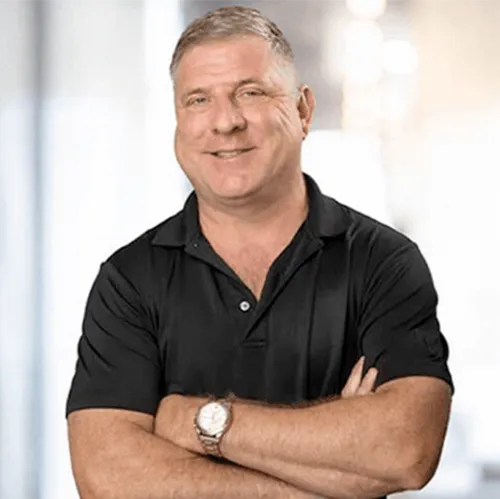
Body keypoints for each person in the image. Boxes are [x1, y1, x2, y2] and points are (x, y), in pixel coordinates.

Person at [66, 6, 453, 499]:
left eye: (250, 93)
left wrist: (197, 421)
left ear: (303, 110)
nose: (226, 122)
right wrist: (331, 473)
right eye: (198, 100)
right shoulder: (129, 280)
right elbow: (107, 477)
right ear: (178, 121)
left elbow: (404, 450)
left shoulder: (383, 262)